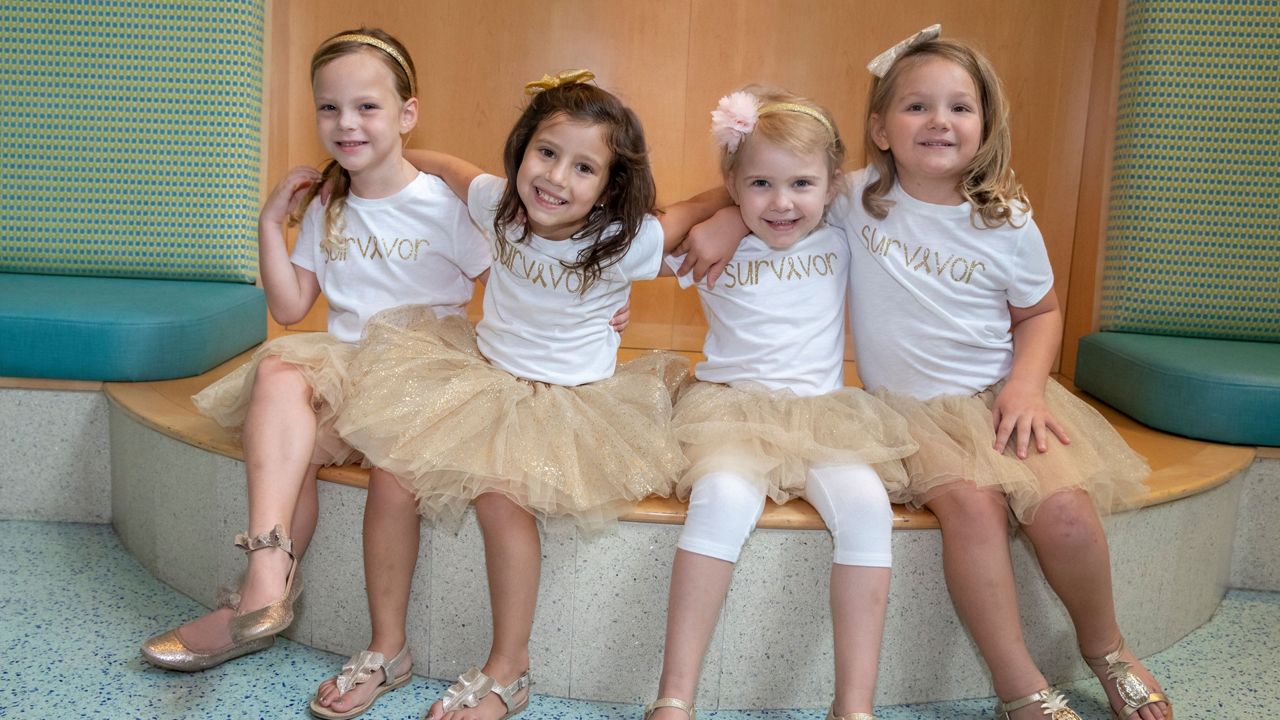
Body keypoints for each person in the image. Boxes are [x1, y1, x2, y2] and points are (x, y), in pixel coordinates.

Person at [688, 27, 1170, 720]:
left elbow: (1042, 311)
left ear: (985, 125)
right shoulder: (855, 197)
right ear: (881, 128)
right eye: (917, 106)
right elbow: (771, 175)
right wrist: (732, 215)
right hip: (909, 415)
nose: (939, 121)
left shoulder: (1006, 220)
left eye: (959, 107)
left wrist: (1027, 386)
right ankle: (1018, 686)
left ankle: (1109, 649)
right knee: (971, 510)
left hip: (1001, 398)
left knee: (1065, 512)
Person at [310, 70, 730, 720]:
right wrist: (376, 163)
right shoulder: (496, 205)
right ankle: (387, 646)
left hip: (569, 403)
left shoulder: (624, 242)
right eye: (547, 153)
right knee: (392, 472)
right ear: (523, 149)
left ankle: (510, 669)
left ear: (610, 187)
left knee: (500, 496)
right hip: (482, 377)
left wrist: (730, 215)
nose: (556, 178)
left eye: (583, 167)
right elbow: (447, 166)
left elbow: (692, 210)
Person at [140, 28, 491, 676]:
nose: (345, 122)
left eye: (366, 106)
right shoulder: (331, 204)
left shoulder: (441, 202)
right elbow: (291, 306)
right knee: (280, 372)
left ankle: (273, 605)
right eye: (329, 107)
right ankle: (264, 582)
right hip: (350, 368)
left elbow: (499, 284)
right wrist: (271, 223)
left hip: (422, 374)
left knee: (339, 435)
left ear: (407, 114)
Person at [643, 88, 917, 720]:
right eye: (760, 184)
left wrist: (740, 210)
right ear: (733, 183)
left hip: (823, 416)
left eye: (801, 183)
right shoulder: (713, 246)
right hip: (729, 414)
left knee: (869, 509)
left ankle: (853, 704)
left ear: (829, 188)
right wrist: (725, 217)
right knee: (722, 500)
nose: (783, 201)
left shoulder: (845, 232)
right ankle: (675, 696)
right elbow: (635, 250)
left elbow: (883, 170)